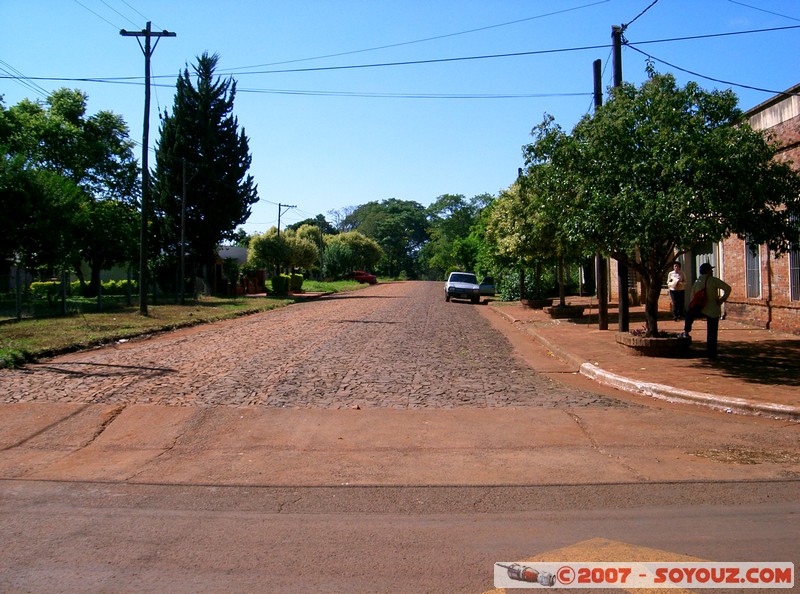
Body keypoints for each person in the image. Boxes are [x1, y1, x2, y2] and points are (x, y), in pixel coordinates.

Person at [680, 263, 731, 359]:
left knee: (689, 316)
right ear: (707, 271)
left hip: (699, 308)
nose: (712, 271)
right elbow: (728, 288)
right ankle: (711, 352)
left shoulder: (697, 282)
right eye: (710, 270)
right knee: (712, 332)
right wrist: (722, 299)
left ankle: (686, 330)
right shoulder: (713, 280)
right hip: (712, 309)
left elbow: (692, 297)